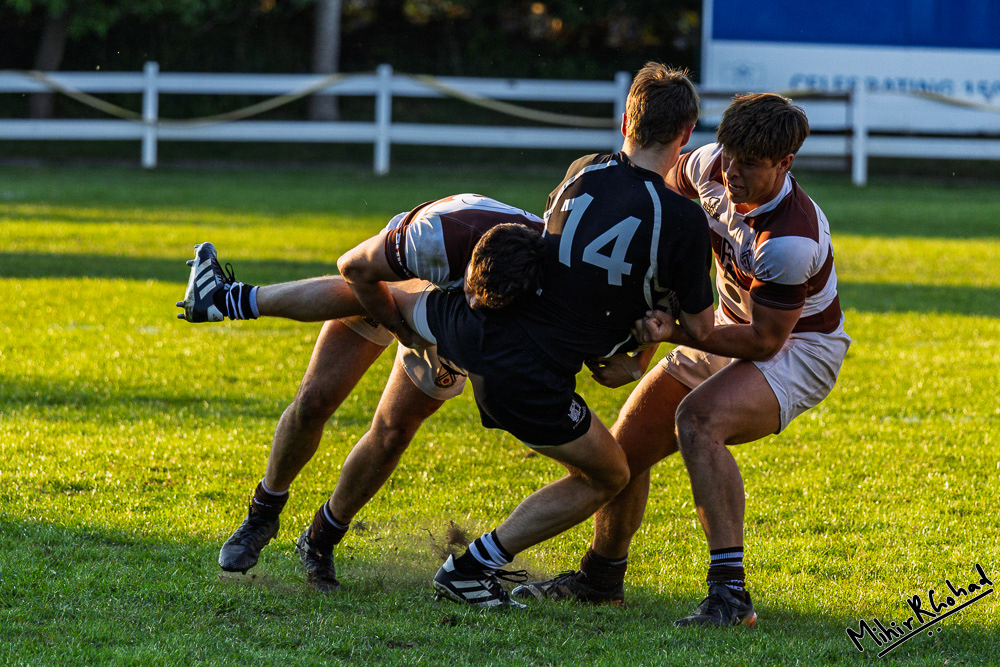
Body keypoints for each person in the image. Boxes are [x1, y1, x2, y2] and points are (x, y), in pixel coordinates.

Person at [511, 93, 852, 628]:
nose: (733, 172)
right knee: (622, 454)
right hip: (720, 329)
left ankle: (731, 597)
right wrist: (642, 353)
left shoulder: (789, 239)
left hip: (799, 349)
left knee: (698, 421)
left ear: (785, 163)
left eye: (751, 164)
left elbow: (766, 342)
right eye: (730, 155)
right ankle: (601, 580)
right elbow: (660, 245)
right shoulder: (706, 165)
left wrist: (672, 333)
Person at [385, 62, 717, 608]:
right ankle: (472, 567)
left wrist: (628, 348)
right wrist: (651, 337)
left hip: (477, 325)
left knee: (367, 289)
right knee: (610, 474)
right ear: (686, 135)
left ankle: (248, 299)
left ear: (626, 121)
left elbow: (563, 267)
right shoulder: (682, 219)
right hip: (530, 375)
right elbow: (700, 327)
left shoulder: (581, 171)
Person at [177, 194, 547, 591]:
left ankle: (319, 540)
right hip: (407, 275)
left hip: (476, 309)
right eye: (471, 290)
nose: (472, 302)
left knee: (393, 433)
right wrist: (399, 326)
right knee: (315, 400)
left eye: (482, 300)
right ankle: (263, 513)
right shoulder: (433, 240)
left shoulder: (553, 280)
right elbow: (353, 268)